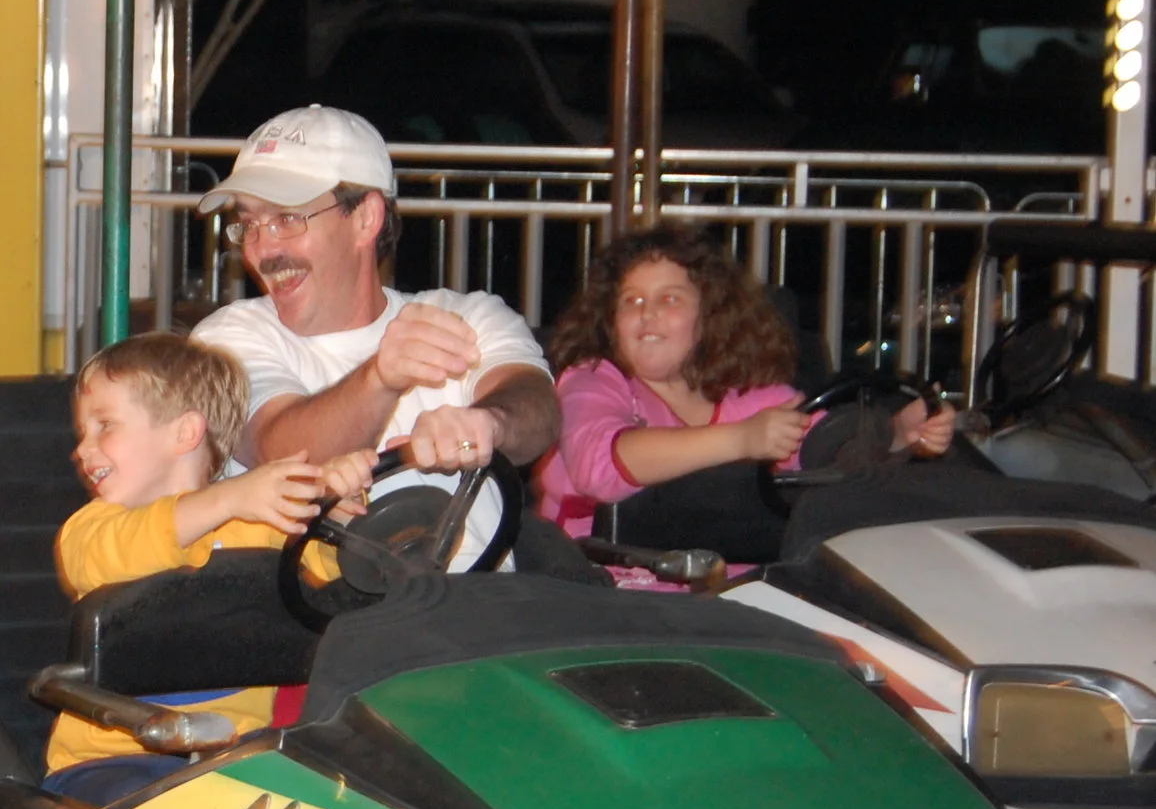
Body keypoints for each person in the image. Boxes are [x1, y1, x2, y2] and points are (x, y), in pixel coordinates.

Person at [46, 332, 376, 805]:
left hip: (238, 755)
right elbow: (114, 552)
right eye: (83, 432)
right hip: (110, 762)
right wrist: (230, 497)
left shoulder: (262, 526)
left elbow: (334, 585)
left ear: (185, 433)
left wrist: (339, 510)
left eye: (105, 426)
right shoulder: (91, 527)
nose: (83, 448)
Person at [536, 225, 957, 551]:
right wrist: (741, 440)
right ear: (611, 319)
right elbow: (599, 467)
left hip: (732, 583)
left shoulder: (750, 398)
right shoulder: (591, 380)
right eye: (632, 300)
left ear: (709, 315)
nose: (647, 314)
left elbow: (827, 448)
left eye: (669, 299)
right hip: (604, 585)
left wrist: (898, 433)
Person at [192, 105, 560, 477]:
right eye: (249, 224)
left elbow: (539, 408)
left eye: (287, 218)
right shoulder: (224, 341)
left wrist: (489, 423)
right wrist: (380, 379)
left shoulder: (466, 317)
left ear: (366, 218)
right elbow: (280, 450)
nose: (261, 250)